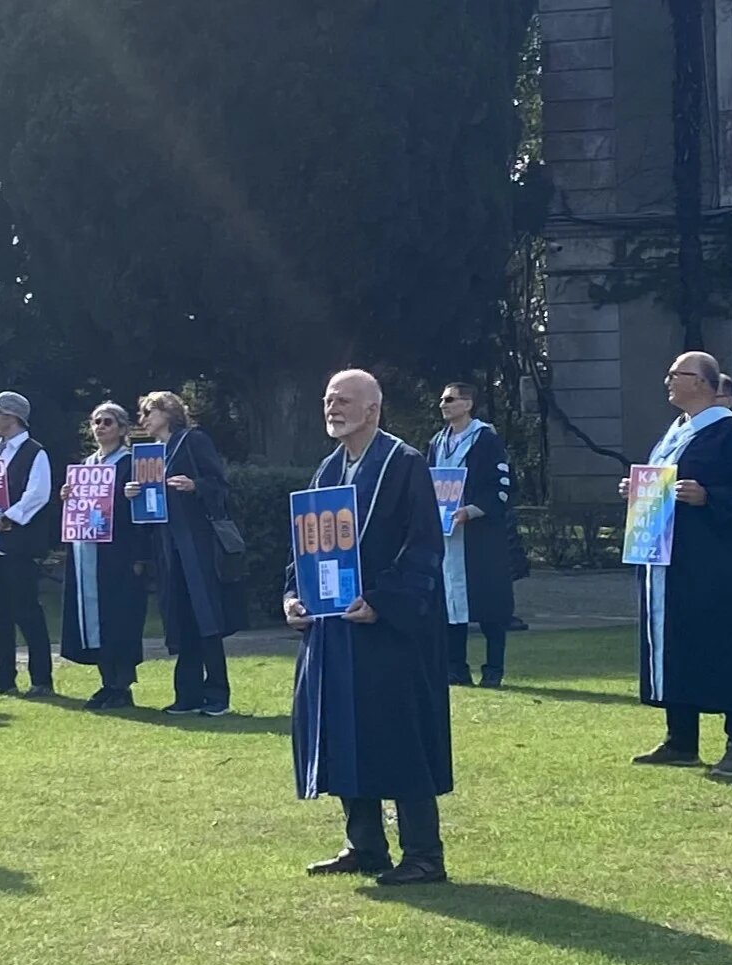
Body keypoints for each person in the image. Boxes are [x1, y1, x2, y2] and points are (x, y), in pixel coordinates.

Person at [287, 369, 452, 886]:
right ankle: (365, 845)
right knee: (341, 732)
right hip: (334, 630)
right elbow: (308, 547)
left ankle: (424, 854)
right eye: (328, 399)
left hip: (388, 631)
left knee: (398, 737)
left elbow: (424, 545)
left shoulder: (403, 465)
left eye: (344, 400)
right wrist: (294, 595)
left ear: (373, 410)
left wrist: (383, 602)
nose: (332, 408)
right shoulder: (328, 469)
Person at [624, 351, 732, 778]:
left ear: (706, 385)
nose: (669, 380)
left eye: (679, 374)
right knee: (677, 645)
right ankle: (681, 740)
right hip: (669, 563)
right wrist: (637, 492)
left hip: (719, 567)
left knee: (727, 647)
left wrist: (710, 497)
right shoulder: (673, 435)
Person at [129, 390, 248, 716]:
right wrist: (133, 493)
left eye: (149, 412)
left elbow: (221, 485)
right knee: (181, 617)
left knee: (206, 616)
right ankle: (187, 694)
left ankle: (217, 694)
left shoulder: (193, 441)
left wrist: (195, 485)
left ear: (168, 412)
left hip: (197, 543)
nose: (144, 420)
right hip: (169, 546)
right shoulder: (150, 454)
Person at [62, 402, 152, 710]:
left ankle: (122, 685)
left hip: (120, 554)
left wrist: (141, 556)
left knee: (120, 618)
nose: (100, 427)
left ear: (123, 429)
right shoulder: (87, 465)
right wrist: (69, 496)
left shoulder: (131, 464)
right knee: (95, 620)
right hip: (88, 552)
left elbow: (146, 513)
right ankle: (106, 682)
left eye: (108, 422)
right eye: (96, 422)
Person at [427, 381, 517, 688]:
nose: (444, 404)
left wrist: (472, 510)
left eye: (450, 399)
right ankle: (456, 668)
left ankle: (493, 669)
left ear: (467, 404)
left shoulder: (485, 439)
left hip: (479, 536)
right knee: (451, 602)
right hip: (447, 535)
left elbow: (501, 486)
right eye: (442, 400)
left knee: (489, 602)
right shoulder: (438, 442)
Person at [0, 390, 55, 696]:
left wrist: (5, 520)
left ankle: (41, 679)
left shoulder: (35, 453)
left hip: (18, 545)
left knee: (27, 612)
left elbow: (37, 495)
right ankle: (2, 679)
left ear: (13, 417)